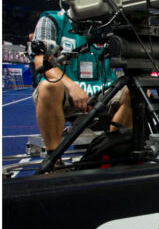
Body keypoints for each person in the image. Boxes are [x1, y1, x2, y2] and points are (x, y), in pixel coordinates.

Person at [32, 10, 131, 163]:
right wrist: (72, 86)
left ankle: (111, 151)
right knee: (48, 87)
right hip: (64, 89)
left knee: (135, 91)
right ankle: (53, 159)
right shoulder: (51, 20)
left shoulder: (108, 25)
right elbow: (41, 62)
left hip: (101, 90)